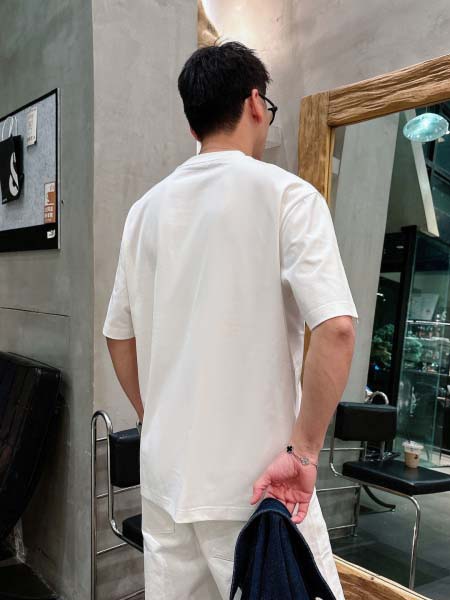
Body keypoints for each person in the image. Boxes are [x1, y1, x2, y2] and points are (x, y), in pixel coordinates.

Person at [103, 40, 357, 600]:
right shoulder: (288, 196)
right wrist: (304, 452)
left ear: (192, 124)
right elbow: (336, 329)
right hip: (260, 489)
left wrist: (155, 413)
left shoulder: (143, 212)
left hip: (166, 480)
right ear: (255, 103)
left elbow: (118, 337)